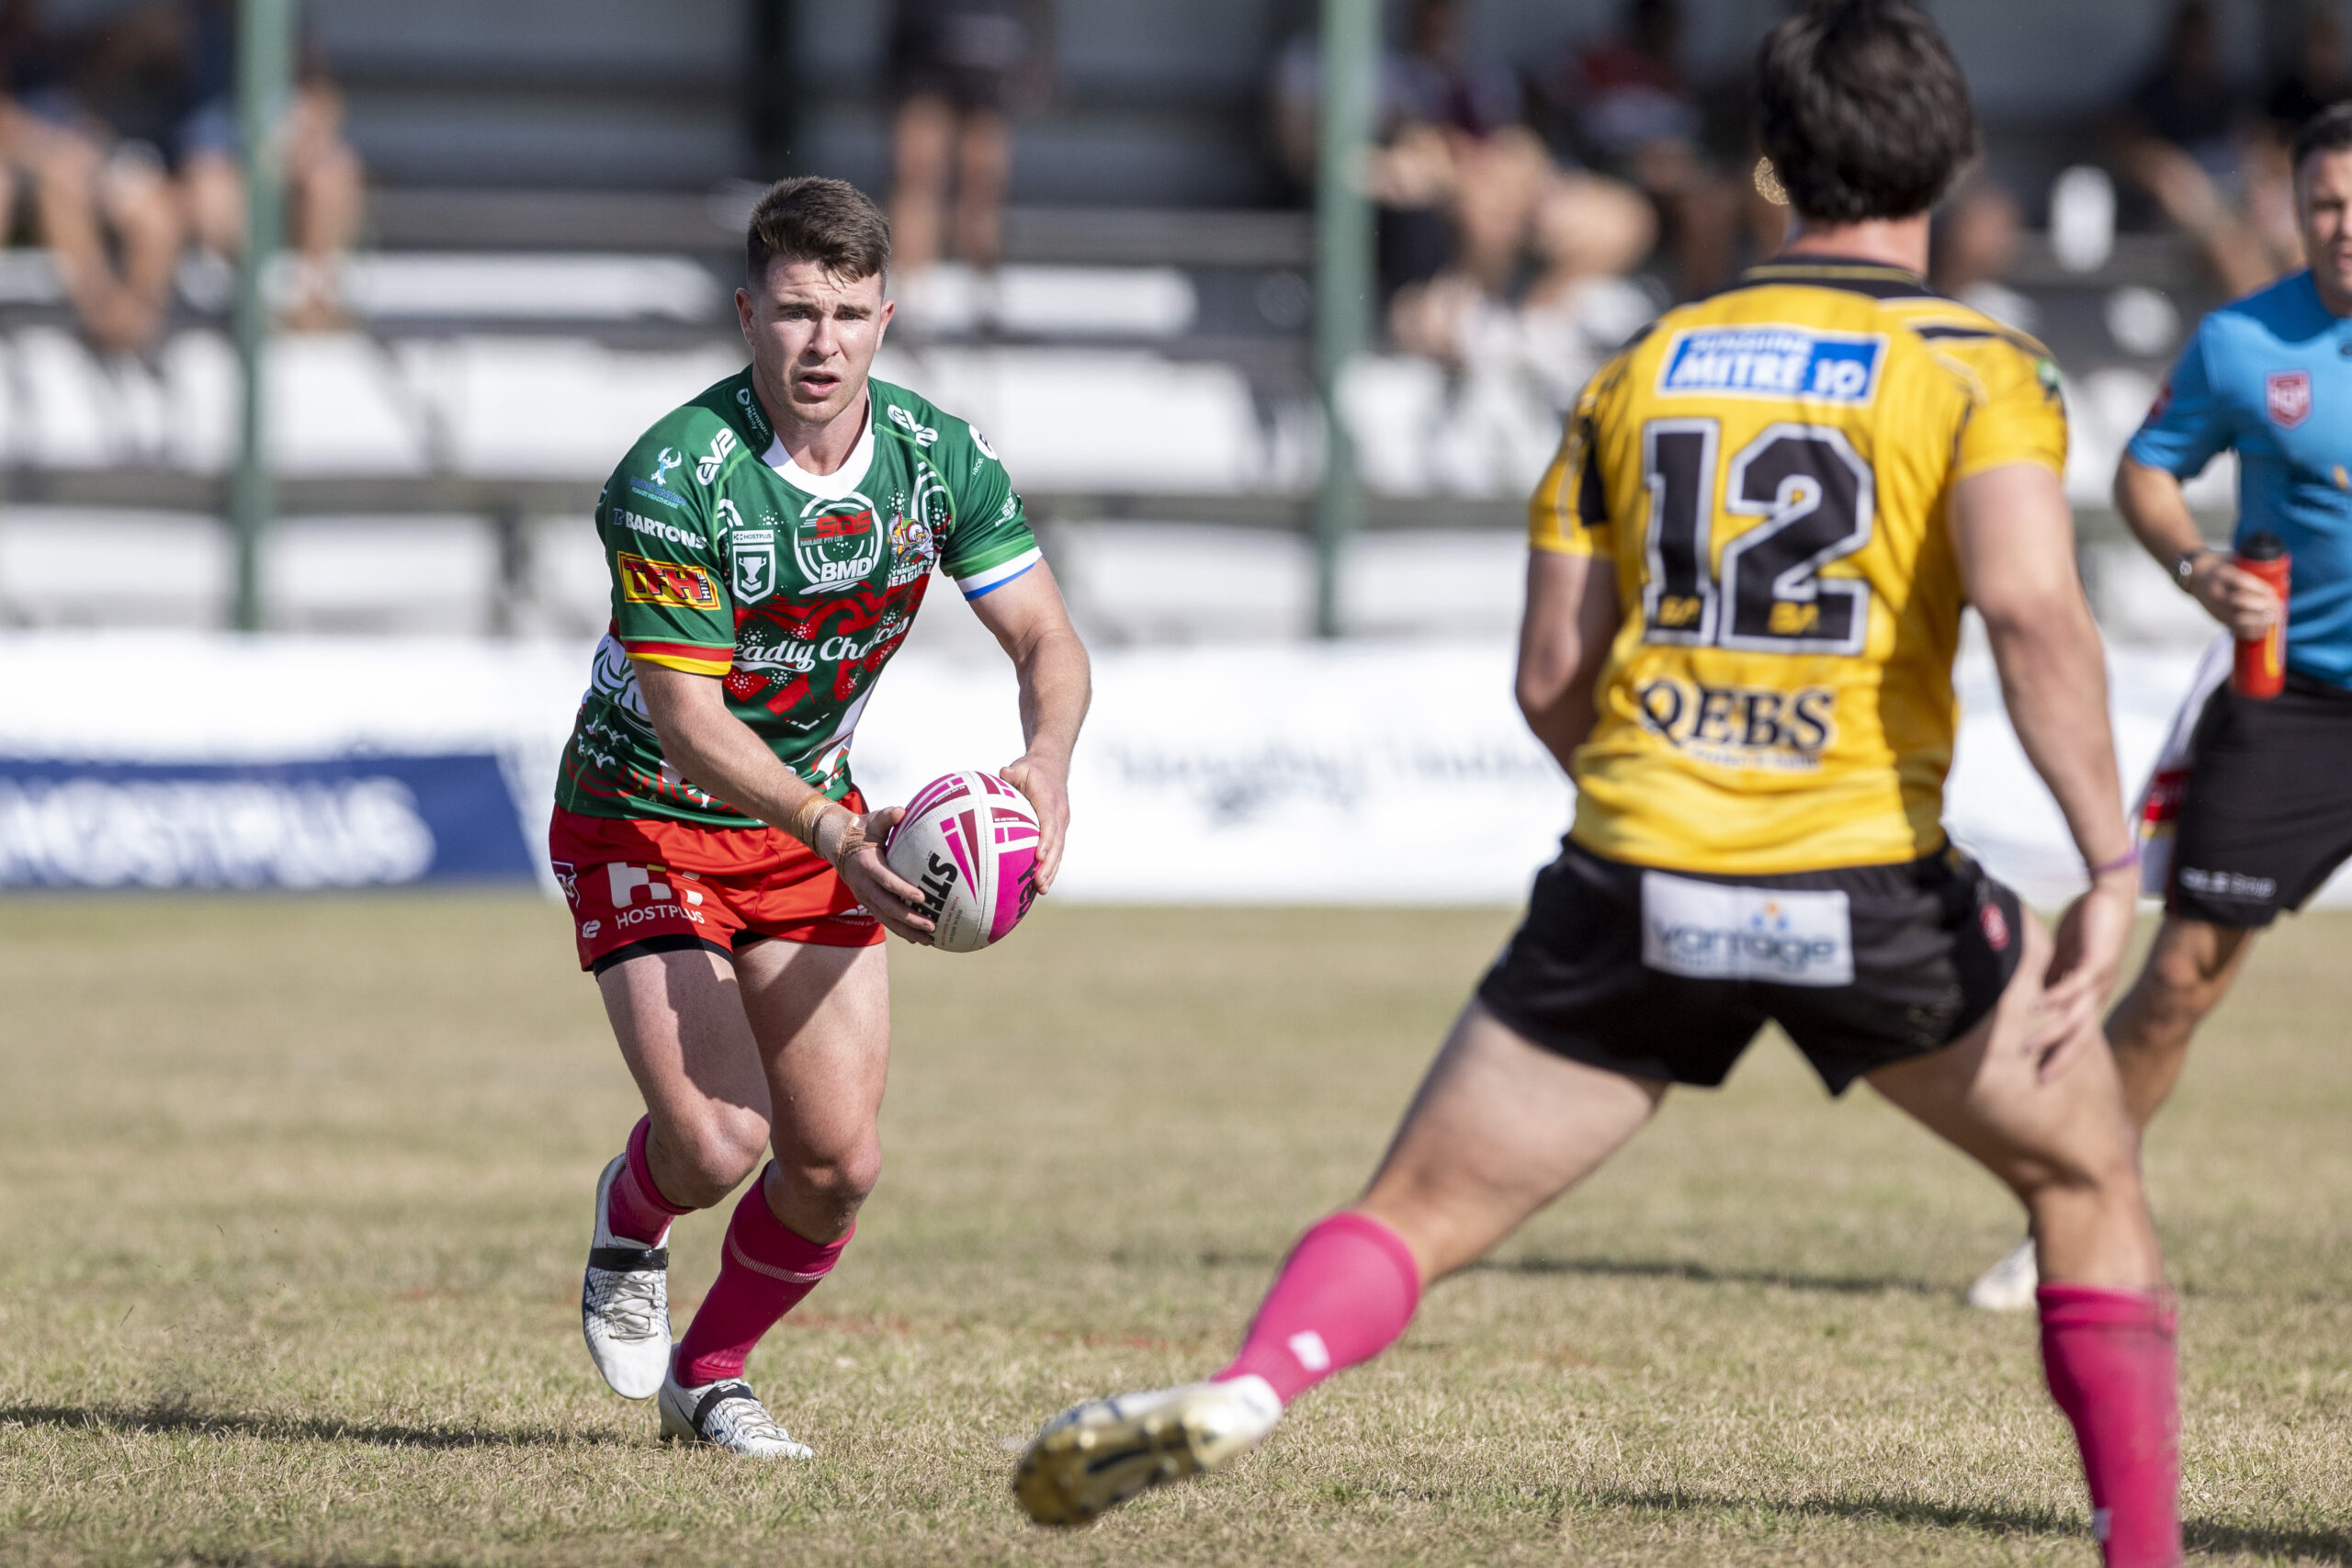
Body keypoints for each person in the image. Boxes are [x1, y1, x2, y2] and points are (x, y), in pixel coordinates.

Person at [1012, 6, 2181, 1564]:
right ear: (1953, 160)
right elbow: (2034, 610)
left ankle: (1248, 1386)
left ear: (1767, 170)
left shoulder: (1644, 364)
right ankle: (2146, 1551)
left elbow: (1549, 673)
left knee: (1415, 1210)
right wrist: (2109, 865)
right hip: (1872, 886)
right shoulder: (1978, 366)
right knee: (2087, 1174)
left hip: (1639, 869)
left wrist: (1663, 805)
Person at [556, 176, 1090, 1455]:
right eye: (796, 311)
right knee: (718, 1135)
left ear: (887, 318)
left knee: (837, 1161)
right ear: (749, 313)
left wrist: (1049, 763)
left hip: (811, 828)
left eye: (850, 313)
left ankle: (713, 1373)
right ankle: (634, 1216)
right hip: (649, 813)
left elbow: (1047, 639)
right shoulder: (676, 475)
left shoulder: (935, 459)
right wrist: (838, 829)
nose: (822, 342)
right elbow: (690, 721)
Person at [1968, 101, 2352, 1319]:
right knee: (2183, 973)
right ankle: (2067, 1222)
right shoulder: (2246, 341)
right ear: (2294, 213)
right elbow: (2146, 470)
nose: (2346, 227)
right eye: (2326, 204)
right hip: (2293, 698)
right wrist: (2198, 568)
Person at [886, 0, 1043, 280]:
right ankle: (910, 293)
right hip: (927, 41)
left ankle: (982, 291)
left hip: (990, 43)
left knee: (983, 180)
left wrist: (1039, 52)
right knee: (918, 174)